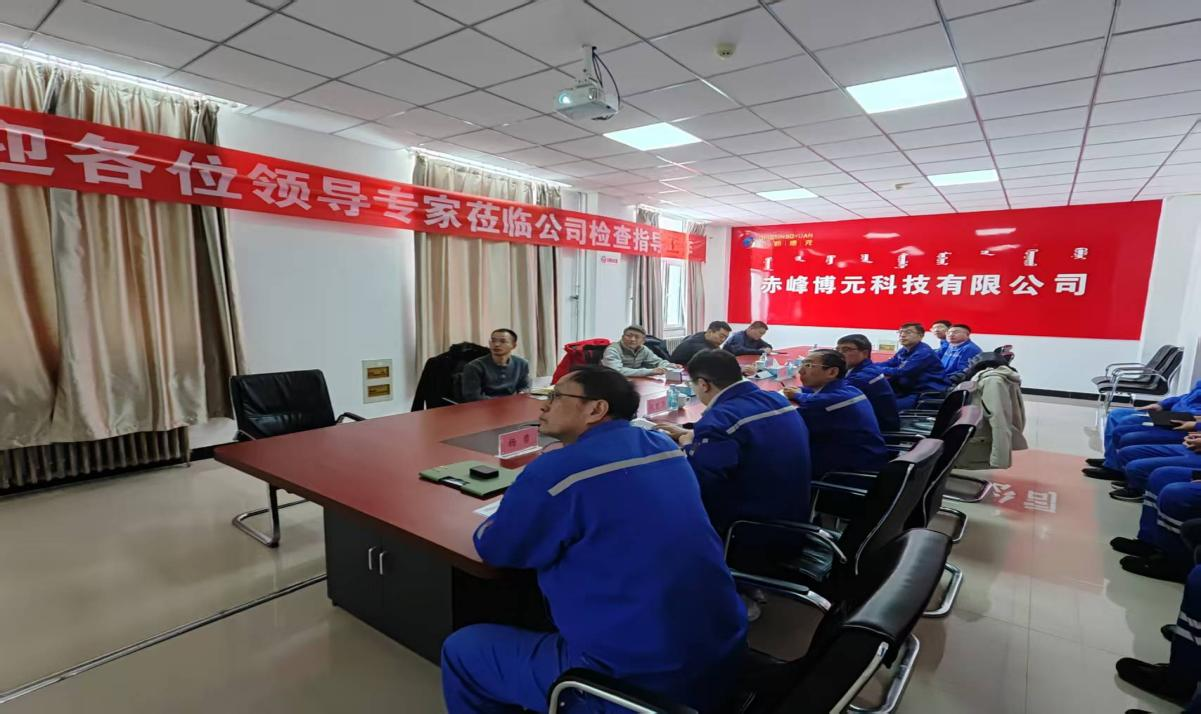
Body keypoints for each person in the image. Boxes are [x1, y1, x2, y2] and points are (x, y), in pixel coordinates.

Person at [441, 366, 747, 713]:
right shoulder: (663, 446)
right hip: (723, 650)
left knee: (463, 651)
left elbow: (497, 548)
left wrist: (517, 499)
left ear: (596, 409)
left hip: (636, 680)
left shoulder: (557, 470)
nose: (544, 405)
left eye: (556, 396)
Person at [657, 349, 811, 537]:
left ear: (703, 384)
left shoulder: (720, 420)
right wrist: (696, 435)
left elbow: (700, 482)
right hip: (794, 514)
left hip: (748, 529)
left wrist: (689, 444)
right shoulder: (777, 399)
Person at [783, 349, 889, 480]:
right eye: (802, 364)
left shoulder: (821, 404)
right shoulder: (851, 390)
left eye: (809, 365)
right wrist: (800, 393)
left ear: (832, 372)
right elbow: (819, 396)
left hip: (847, 472)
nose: (800, 371)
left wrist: (796, 395)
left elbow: (787, 427)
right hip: (870, 460)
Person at [1084, 379, 1201, 481]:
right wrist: (1162, 404)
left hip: (1186, 421)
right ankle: (1111, 461)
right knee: (1116, 414)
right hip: (1173, 414)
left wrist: (1195, 423)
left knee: (1128, 424)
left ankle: (1117, 469)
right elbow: (1188, 396)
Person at [836, 333, 900, 432]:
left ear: (865, 353)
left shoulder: (864, 376)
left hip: (879, 431)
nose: (839, 354)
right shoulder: (859, 369)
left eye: (846, 350)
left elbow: (833, 394)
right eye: (837, 350)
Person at [881, 323, 950, 411]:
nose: (902, 335)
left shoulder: (924, 352)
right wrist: (870, 367)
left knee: (885, 408)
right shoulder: (904, 349)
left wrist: (874, 369)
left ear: (920, 336)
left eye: (908, 332)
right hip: (907, 389)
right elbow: (890, 363)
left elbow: (902, 371)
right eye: (900, 332)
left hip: (924, 393)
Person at [459, 329, 530, 402]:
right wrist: (503, 403)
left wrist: (522, 394)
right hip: (484, 405)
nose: (496, 344)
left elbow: (525, 387)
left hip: (511, 404)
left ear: (513, 345)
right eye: (493, 341)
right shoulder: (474, 366)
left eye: (503, 341)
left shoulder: (522, 363)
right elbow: (473, 397)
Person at [601, 325, 677, 377]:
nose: (632, 339)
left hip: (635, 380)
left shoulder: (643, 349)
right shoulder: (613, 350)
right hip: (614, 382)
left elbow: (657, 362)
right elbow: (617, 371)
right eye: (629, 336)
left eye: (637, 337)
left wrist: (669, 365)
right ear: (622, 337)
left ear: (643, 341)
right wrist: (650, 371)